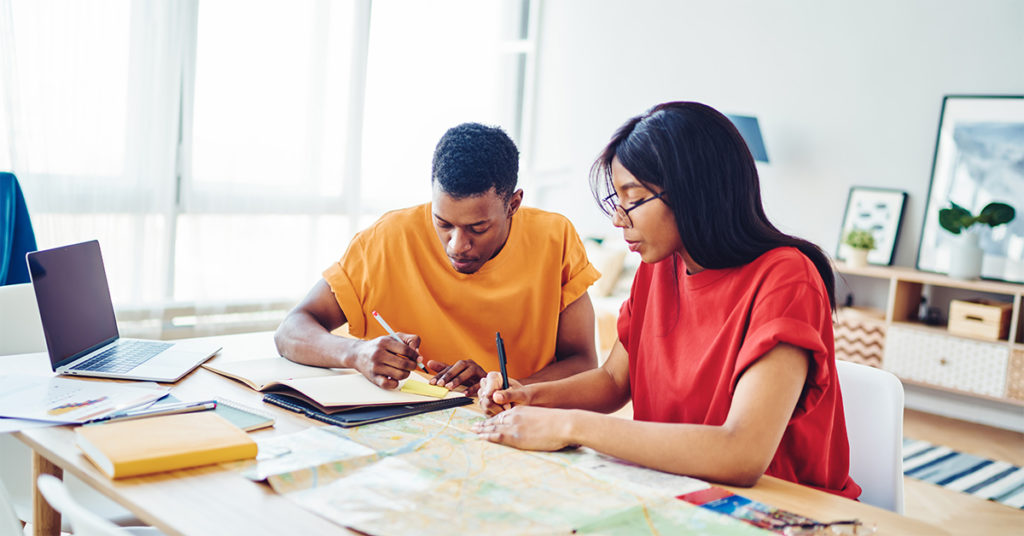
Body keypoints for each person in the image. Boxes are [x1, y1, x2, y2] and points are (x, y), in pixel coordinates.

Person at [474, 102, 861, 499]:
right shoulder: (659, 267)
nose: (618, 219)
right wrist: (527, 396)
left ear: (696, 192)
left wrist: (569, 426)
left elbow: (741, 454)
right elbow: (612, 381)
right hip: (673, 490)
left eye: (634, 198)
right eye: (617, 200)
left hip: (781, 510)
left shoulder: (787, 278)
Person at [275, 123, 601, 394]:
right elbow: (291, 329)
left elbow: (583, 362)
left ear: (513, 205)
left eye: (478, 227)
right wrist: (355, 353)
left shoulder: (554, 238)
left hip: (511, 425)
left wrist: (510, 388)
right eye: (443, 223)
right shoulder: (388, 237)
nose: (457, 246)